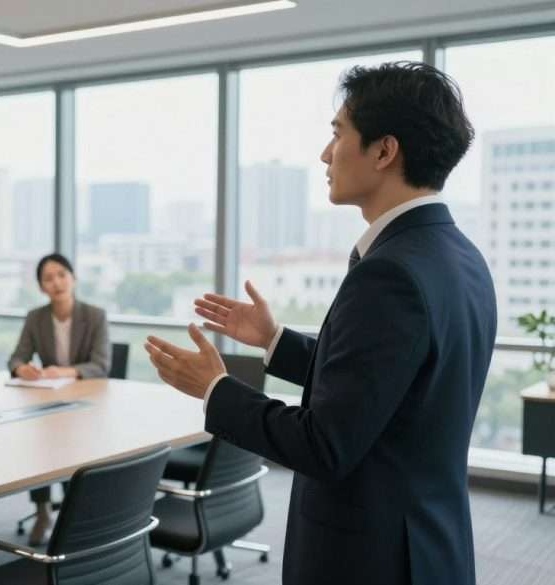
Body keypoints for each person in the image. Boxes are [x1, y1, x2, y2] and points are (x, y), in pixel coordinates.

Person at [146, 62, 496, 585]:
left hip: (371, 557)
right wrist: (275, 341)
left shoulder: (389, 274)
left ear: (383, 151)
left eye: (337, 134)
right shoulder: (459, 256)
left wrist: (215, 388)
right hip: (429, 543)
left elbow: (325, 444)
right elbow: (384, 387)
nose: (325, 154)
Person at [7, 252, 109, 544]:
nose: (56, 283)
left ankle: (74, 512)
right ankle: (42, 511)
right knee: (39, 445)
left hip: (88, 405)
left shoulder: (94, 315)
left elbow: (101, 365)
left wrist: (63, 371)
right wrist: (21, 368)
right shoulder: (36, 318)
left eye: (62, 275)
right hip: (48, 403)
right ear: (41, 287)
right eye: (48, 279)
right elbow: (16, 356)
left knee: (73, 448)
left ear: (73, 278)